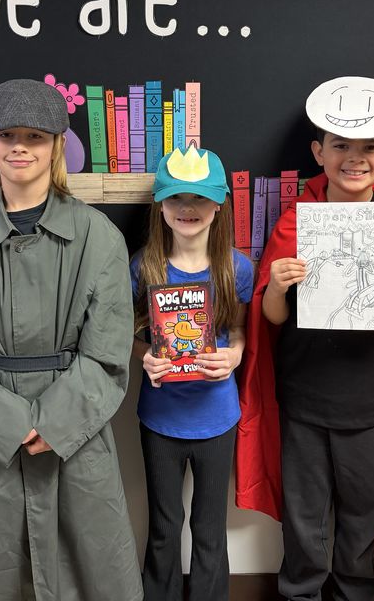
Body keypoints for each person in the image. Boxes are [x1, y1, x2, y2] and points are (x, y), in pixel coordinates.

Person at [0, 79, 142, 601]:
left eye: (35, 136)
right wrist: (11, 424)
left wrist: (53, 422)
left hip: (74, 435)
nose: (19, 147)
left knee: (86, 570)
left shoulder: (98, 236)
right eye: (7, 135)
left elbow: (108, 352)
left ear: (57, 144)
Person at [236, 77, 374, 601]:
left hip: (372, 400)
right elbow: (270, 318)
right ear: (318, 152)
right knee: (303, 515)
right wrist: (276, 286)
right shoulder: (296, 219)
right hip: (304, 397)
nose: (355, 158)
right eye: (341, 145)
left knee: (363, 514)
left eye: (370, 147)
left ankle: (354, 593)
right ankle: (299, 592)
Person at [131, 146, 254, 601]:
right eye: (177, 198)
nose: (188, 208)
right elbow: (135, 334)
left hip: (217, 418)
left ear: (218, 204)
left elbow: (239, 331)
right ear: (160, 205)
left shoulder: (236, 267)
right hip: (160, 419)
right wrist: (144, 355)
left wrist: (235, 356)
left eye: (200, 199)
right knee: (163, 524)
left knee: (209, 526)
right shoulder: (144, 267)